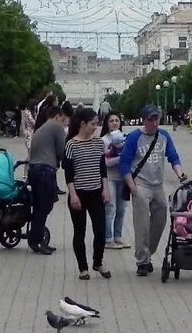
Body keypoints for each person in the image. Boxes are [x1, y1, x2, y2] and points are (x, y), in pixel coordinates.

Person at [121, 104, 185, 277]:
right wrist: (131, 185)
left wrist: (180, 174)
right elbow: (124, 163)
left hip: (157, 185)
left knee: (160, 218)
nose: (154, 123)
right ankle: (142, 261)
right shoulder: (135, 137)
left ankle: (148, 253)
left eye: (156, 118)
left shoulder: (163, 136)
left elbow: (173, 156)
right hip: (140, 185)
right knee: (142, 224)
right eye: (151, 119)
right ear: (144, 120)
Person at [65, 106, 111, 280]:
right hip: (79, 194)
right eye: (92, 124)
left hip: (96, 193)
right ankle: (83, 268)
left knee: (100, 231)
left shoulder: (99, 143)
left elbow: (102, 169)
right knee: (80, 231)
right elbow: (68, 173)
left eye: (97, 124)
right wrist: (73, 195)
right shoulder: (71, 144)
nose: (95, 127)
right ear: (83, 124)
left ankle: (97, 262)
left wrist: (105, 189)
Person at [27, 100, 73, 254]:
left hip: (34, 169)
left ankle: (36, 237)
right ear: (58, 117)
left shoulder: (41, 128)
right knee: (44, 207)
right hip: (45, 170)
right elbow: (62, 150)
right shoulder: (57, 128)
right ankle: (36, 240)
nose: (64, 122)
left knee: (39, 206)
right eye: (63, 119)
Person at [101, 113, 129, 248]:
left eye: (117, 120)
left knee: (122, 210)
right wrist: (120, 158)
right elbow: (104, 162)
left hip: (123, 178)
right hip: (110, 178)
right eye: (111, 121)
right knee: (110, 209)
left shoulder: (126, 139)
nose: (114, 123)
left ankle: (118, 236)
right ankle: (108, 238)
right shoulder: (104, 140)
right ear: (107, 123)